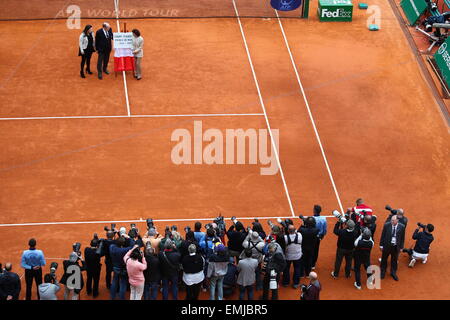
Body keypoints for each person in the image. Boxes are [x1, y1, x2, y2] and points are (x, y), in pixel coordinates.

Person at [379, 215, 406, 281]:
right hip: (387, 246)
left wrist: (401, 247)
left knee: (394, 260)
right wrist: (381, 245)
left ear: (397, 220)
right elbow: (383, 235)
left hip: (396, 247)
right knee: (384, 259)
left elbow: (402, 237)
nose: (391, 221)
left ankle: (393, 272)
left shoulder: (402, 227)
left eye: (393, 220)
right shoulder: (386, 225)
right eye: (391, 220)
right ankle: (383, 271)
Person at [110, 235, 135, 300]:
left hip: (115, 268)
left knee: (114, 282)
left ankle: (112, 297)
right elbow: (132, 246)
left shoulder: (111, 247)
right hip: (123, 269)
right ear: (123, 244)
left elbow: (113, 242)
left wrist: (118, 237)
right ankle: (121, 298)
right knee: (123, 284)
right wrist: (129, 237)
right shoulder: (124, 250)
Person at [282, 224, 303, 288]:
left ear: (288, 231)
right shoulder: (300, 236)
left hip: (288, 256)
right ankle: (296, 283)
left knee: (286, 269)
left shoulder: (285, 238)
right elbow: (296, 231)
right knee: (297, 269)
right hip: (297, 256)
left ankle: (286, 282)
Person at [312, 205, 327, 269]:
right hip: (318, 237)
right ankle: (313, 264)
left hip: (311, 237)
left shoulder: (311, 218)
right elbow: (324, 229)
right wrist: (322, 236)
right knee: (316, 250)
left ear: (314, 211)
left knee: (310, 249)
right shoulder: (324, 219)